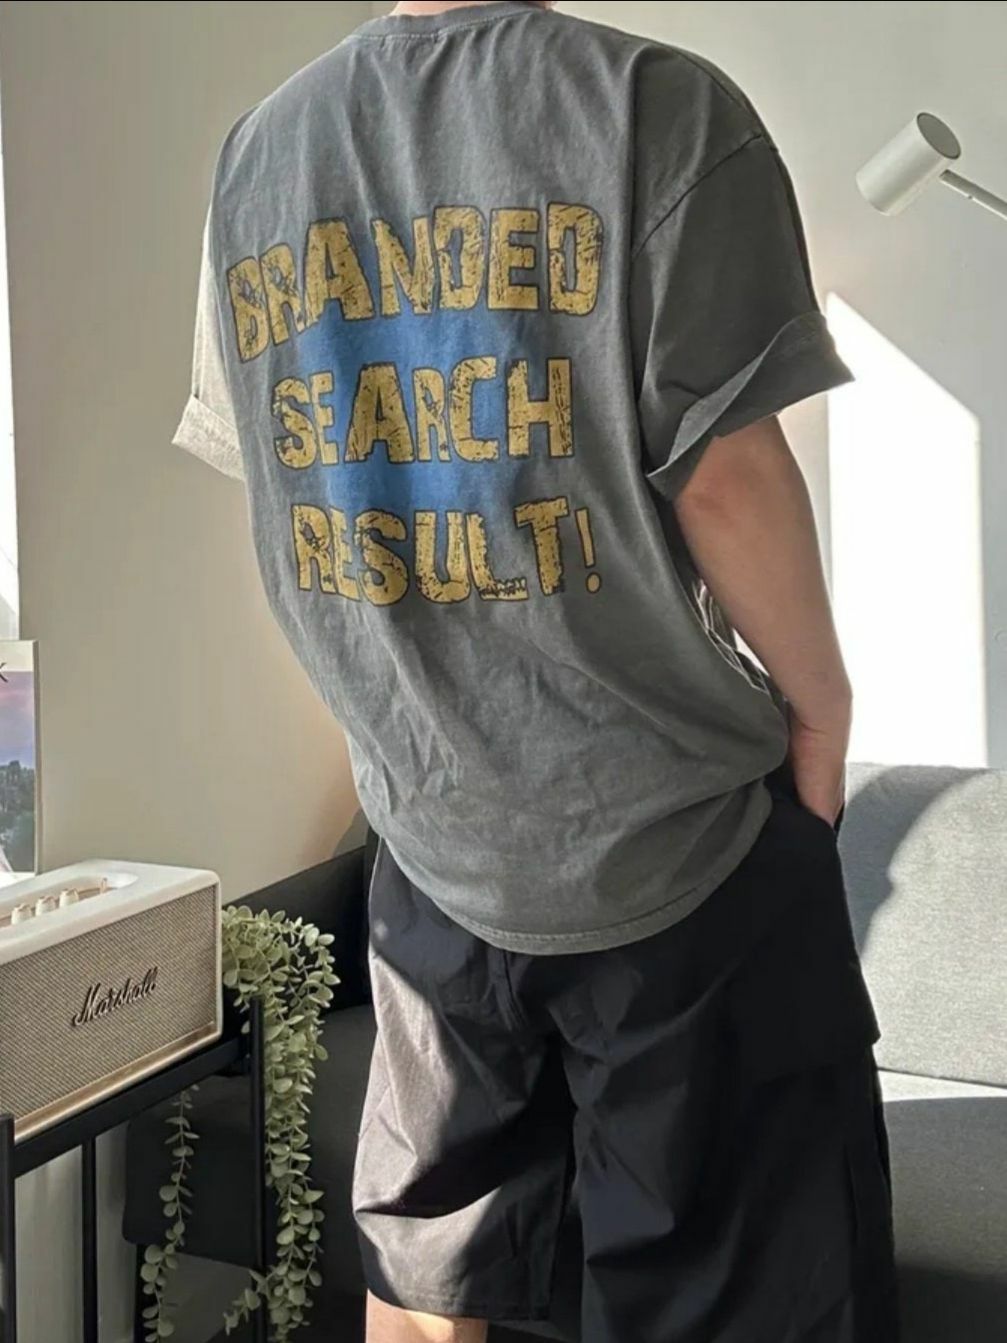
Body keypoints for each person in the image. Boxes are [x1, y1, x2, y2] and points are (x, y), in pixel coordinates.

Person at [173, 2, 899, 1339]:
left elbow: (290, 493)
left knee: (426, 1284)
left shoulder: (258, 155)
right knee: (733, 1295)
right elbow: (727, 479)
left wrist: (396, 731)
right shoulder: (657, 109)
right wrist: (824, 707)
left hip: (430, 847)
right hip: (677, 854)